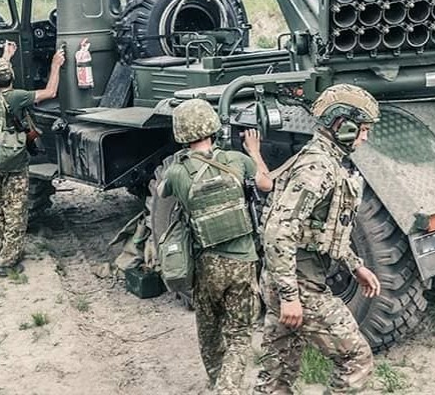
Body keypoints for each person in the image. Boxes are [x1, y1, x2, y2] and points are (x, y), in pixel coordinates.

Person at [254, 83, 382, 395]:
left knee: (277, 372)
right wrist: (290, 297)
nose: (365, 137)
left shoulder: (324, 160)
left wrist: (355, 265)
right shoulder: (318, 168)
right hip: (300, 284)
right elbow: (278, 230)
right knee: (355, 358)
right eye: (362, 130)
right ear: (343, 126)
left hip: (287, 278)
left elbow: (321, 230)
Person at [160, 98, 272, 395]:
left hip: (207, 264)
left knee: (209, 332)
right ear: (212, 126)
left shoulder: (177, 171)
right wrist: (255, 153)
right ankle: (228, 388)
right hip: (243, 262)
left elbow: (162, 192)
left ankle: (216, 382)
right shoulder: (237, 160)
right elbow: (265, 184)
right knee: (239, 336)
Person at [0, 41, 64, 277]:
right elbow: (50, 93)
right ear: (11, 76)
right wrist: (55, 65)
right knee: (16, 211)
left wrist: (6, 54)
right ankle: (7, 263)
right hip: (12, 163)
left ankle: (1, 252)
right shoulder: (16, 97)